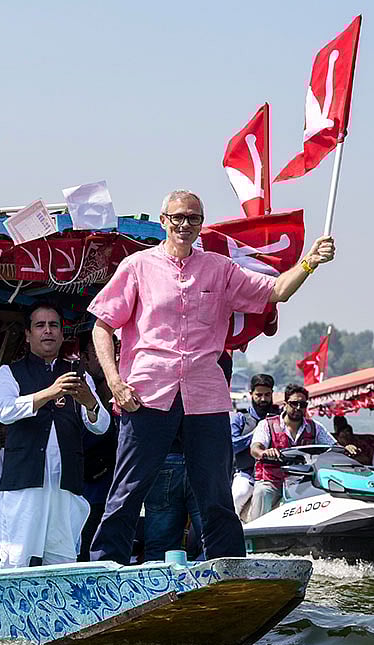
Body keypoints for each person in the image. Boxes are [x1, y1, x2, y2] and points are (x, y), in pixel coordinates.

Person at [87, 189, 336, 564]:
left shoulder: (219, 269)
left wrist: (310, 262)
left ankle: (230, 569)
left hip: (206, 396)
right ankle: (104, 566)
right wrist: (115, 383)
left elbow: (276, 292)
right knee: (129, 489)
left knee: (216, 492)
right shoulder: (138, 266)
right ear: (163, 221)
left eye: (193, 218)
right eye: (177, 218)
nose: (184, 225)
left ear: (201, 224)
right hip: (146, 392)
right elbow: (102, 325)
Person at [0, 301, 111, 568]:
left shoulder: (77, 373)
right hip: (24, 482)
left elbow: (102, 425)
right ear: (28, 335)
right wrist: (48, 393)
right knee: (16, 558)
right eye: (40, 326)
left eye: (53, 326)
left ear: (62, 335)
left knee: (61, 560)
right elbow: (4, 411)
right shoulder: (10, 372)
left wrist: (90, 402)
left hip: (65, 485)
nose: (47, 331)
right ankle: (11, 609)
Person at [248, 384, 351, 520]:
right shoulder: (267, 424)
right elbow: (255, 448)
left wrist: (346, 449)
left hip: (303, 483)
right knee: (262, 492)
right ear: (285, 404)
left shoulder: (315, 427)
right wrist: (264, 452)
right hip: (271, 481)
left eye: (302, 404)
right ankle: (254, 532)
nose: (298, 408)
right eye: (294, 403)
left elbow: (334, 447)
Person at [77, 329, 119, 561]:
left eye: (114, 350)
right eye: (101, 352)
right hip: (87, 487)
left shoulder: (115, 385)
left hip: (109, 487)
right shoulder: (79, 386)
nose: (109, 357)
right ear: (84, 357)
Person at [231, 374, 279, 522]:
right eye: (259, 395)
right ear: (251, 394)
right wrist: (258, 433)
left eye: (267, 395)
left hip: (276, 475)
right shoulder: (240, 418)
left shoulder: (280, 418)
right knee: (237, 497)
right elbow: (232, 445)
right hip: (247, 475)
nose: (263, 399)